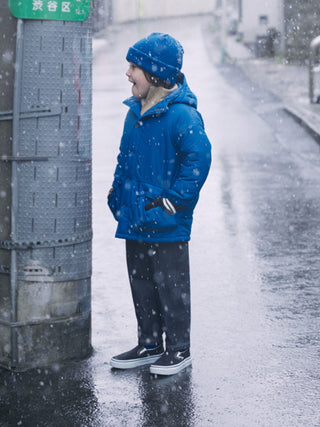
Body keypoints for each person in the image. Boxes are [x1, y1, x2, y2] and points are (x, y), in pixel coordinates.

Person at [107, 32, 211, 376]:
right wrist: (117, 195)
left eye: (133, 67)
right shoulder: (134, 112)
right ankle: (149, 344)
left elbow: (198, 162)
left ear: (154, 74)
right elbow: (125, 158)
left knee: (171, 286)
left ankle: (179, 349)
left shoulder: (182, 116)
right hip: (135, 216)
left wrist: (173, 203)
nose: (128, 74)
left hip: (166, 220)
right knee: (142, 285)